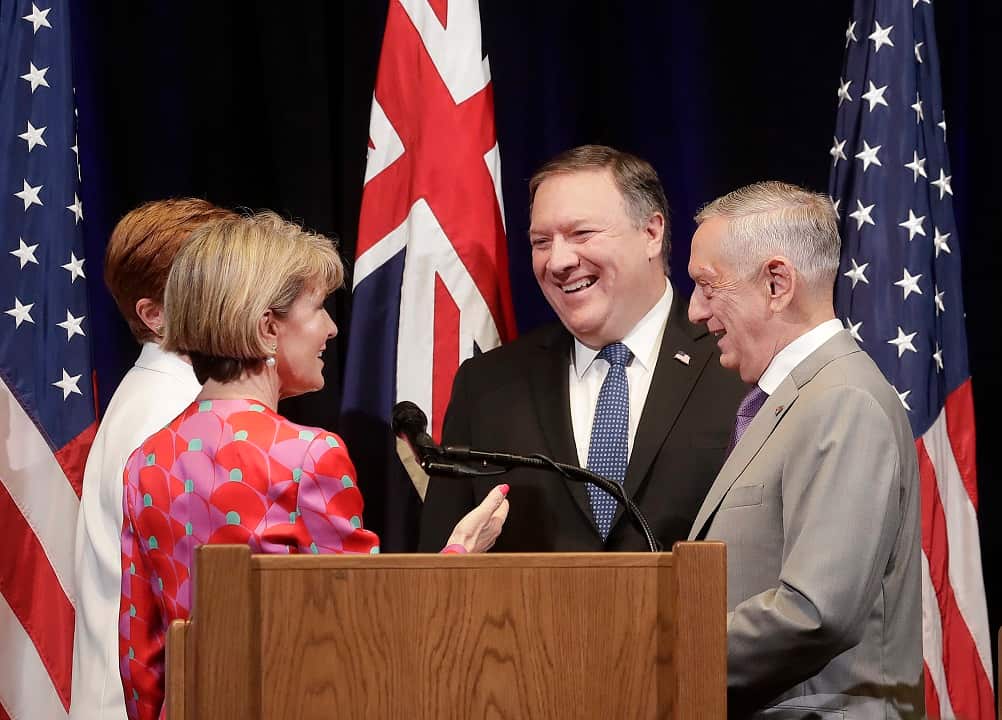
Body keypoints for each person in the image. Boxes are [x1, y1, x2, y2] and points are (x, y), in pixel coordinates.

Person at [118, 212, 509, 720]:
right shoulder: (308, 456)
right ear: (266, 329)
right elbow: (373, 630)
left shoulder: (146, 461)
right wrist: (459, 552)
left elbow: (140, 655)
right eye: (320, 308)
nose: (331, 328)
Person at [419, 145, 745, 552]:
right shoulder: (487, 387)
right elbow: (439, 564)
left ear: (651, 233)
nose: (558, 261)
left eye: (581, 234)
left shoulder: (738, 369)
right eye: (541, 241)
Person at [685, 182, 923, 718]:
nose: (696, 311)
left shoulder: (842, 401)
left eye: (707, 285)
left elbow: (815, 611)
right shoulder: (789, 402)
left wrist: (660, 655)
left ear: (776, 283)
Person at [72, 199, 237, 720]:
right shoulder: (174, 413)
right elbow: (199, 604)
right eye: (211, 280)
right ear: (154, 314)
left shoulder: (159, 393)